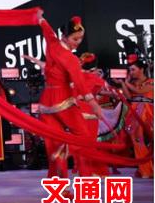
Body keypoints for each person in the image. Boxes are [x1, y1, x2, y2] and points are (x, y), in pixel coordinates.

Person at [36, 13, 104, 190]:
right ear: (65, 36)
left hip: (45, 103)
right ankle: (66, 155)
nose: (78, 42)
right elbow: (80, 84)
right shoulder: (71, 59)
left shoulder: (52, 44)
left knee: (53, 144)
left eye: (80, 38)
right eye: (75, 38)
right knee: (84, 138)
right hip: (63, 101)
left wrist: (41, 19)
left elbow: (48, 32)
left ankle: (60, 187)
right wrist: (95, 104)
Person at [116, 60, 153, 178]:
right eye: (130, 70)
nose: (131, 72)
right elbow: (128, 97)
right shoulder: (132, 83)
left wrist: (126, 83)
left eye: (133, 69)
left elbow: (139, 91)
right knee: (138, 141)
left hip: (149, 114)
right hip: (135, 114)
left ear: (141, 69)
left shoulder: (151, 82)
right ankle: (145, 170)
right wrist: (122, 83)